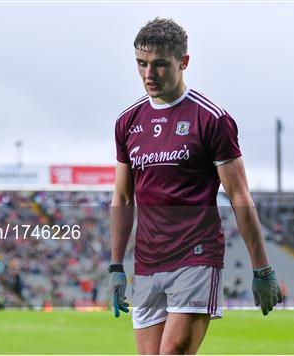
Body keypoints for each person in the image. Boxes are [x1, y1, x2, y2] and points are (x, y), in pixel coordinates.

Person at [108, 18, 282, 354]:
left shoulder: (212, 119)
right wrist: (116, 265)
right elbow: (123, 196)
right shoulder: (127, 123)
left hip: (196, 255)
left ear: (183, 62)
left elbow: (239, 195)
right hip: (148, 261)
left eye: (159, 64)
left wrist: (262, 267)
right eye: (141, 64)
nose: (148, 74)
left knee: (171, 352)